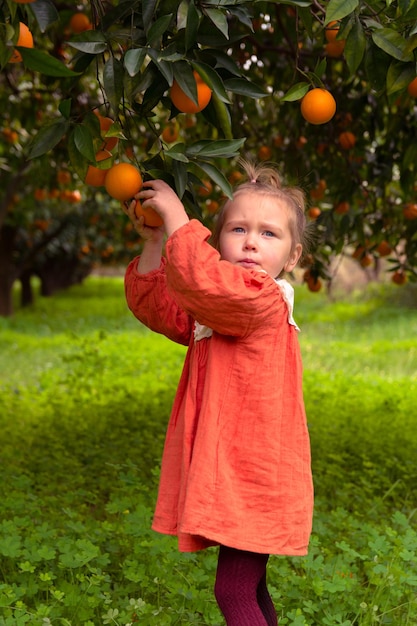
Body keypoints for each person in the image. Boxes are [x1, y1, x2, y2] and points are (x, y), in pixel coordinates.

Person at [123, 160, 314, 626]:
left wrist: (177, 220)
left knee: (232, 590)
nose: (251, 241)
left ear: (293, 256)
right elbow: (162, 306)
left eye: (269, 234)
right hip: (236, 472)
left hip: (253, 476)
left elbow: (202, 282)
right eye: (238, 229)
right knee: (248, 586)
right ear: (220, 239)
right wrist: (155, 241)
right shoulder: (217, 303)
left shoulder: (259, 299)